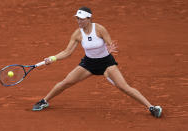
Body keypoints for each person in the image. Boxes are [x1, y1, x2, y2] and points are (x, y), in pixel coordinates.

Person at [32, 7, 162, 118]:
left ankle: (152, 107)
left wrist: (109, 48)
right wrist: (52, 58)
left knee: (124, 87)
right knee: (66, 82)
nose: (79, 21)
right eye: (77, 18)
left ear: (89, 19)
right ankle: (44, 101)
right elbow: (67, 52)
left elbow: (110, 44)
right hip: (88, 64)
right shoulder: (77, 34)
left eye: (82, 19)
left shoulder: (99, 29)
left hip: (107, 63)